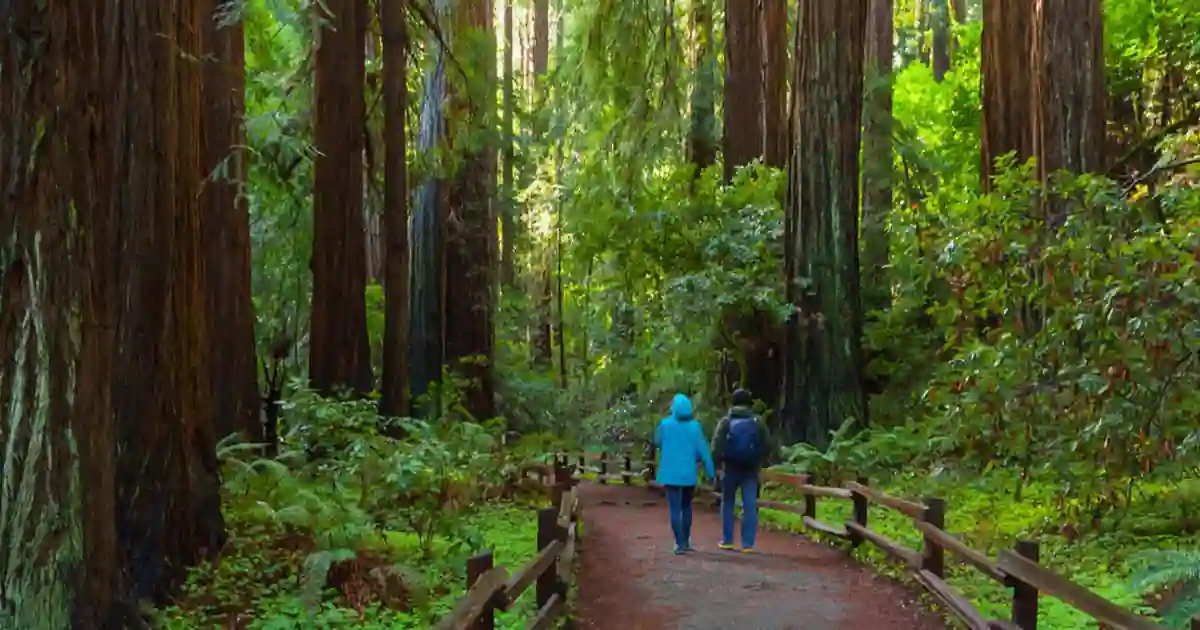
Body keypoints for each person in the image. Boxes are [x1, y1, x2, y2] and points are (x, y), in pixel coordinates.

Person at [711, 388, 775, 553]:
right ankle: (748, 544)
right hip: (750, 469)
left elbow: (715, 447)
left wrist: (717, 463)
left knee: (727, 503)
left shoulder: (726, 421)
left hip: (730, 468)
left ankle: (727, 540)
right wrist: (759, 457)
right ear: (749, 403)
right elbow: (768, 444)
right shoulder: (757, 421)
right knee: (749, 505)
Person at [654, 393, 715, 554]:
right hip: (689, 474)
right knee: (686, 507)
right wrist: (711, 471)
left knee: (674, 508)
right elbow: (704, 450)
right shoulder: (695, 427)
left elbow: (657, 442)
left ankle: (679, 543)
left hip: (670, 474)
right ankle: (686, 541)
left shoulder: (665, 424)